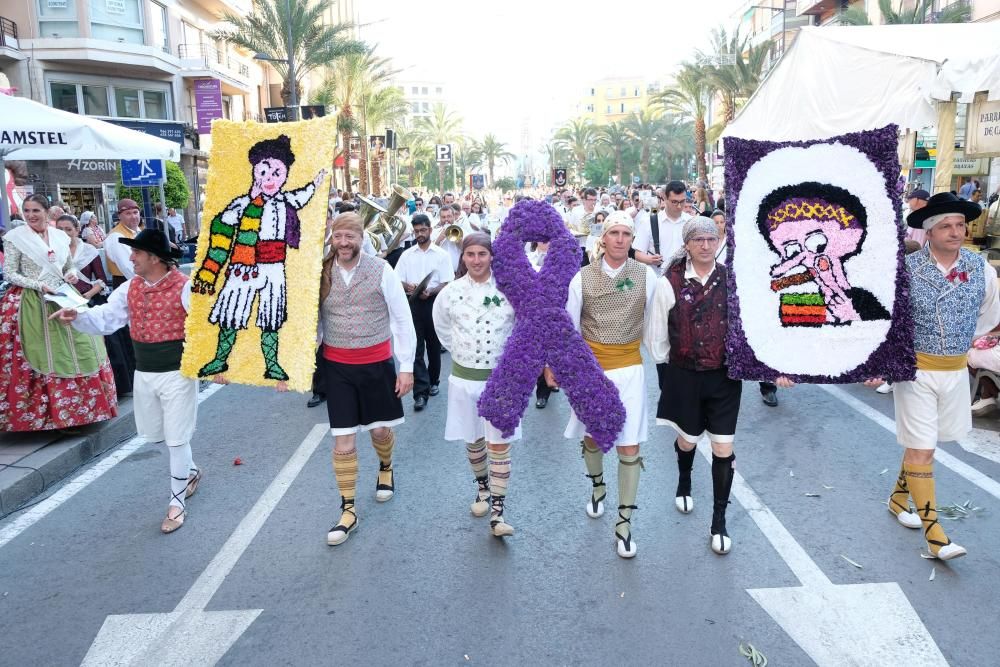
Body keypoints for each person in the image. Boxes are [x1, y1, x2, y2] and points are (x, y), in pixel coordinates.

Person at [52, 229, 202, 533]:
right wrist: (76, 316)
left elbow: (205, 328)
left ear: (155, 258)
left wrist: (214, 364)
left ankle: (176, 503)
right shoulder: (129, 288)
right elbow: (106, 319)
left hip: (178, 373)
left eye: (137, 253)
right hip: (144, 373)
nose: (130, 258)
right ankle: (191, 471)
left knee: (177, 438)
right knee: (157, 435)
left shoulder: (186, 288)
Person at [879, 193, 999, 560]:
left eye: (960, 225)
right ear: (928, 232)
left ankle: (899, 499)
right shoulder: (907, 272)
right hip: (915, 371)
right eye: (945, 226)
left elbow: (989, 316)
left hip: (955, 370)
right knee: (923, 447)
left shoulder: (983, 270)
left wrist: (958, 341)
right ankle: (935, 537)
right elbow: (891, 322)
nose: (955, 232)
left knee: (927, 441)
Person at [562, 211, 658, 558]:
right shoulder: (582, 278)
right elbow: (570, 327)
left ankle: (624, 523)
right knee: (593, 438)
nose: (619, 239)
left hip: (630, 368)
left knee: (629, 445)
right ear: (603, 238)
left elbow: (657, 321)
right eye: (614, 233)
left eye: (626, 234)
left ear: (633, 239)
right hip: (591, 371)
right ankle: (598, 485)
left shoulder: (647, 276)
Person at [192, 136, 326, 383]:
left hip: (274, 267)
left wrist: (318, 181)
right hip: (244, 266)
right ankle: (219, 359)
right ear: (255, 173)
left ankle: (273, 364)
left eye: (276, 172)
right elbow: (223, 222)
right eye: (264, 172)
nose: (270, 178)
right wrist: (249, 201)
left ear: (285, 175)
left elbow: (303, 195)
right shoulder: (243, 203)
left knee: (272, 315)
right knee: (230, 313)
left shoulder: (286, 201)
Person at [317, 212, 415, 546]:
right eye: (338, 236)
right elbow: (313, 323)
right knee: (343, 440)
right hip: (337, 367)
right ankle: (348, 511)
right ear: (332, 237)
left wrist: (406, 367)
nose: (343, 243)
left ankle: (385, 466)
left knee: (380, 430)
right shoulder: (321, 272)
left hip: (376, 364)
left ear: (361, 238)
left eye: (350, 237)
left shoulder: (381, 270)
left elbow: (402, 320)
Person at [646, 217, 742, 554]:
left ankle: (719, 520)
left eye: (711, 239)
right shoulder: (668, 282)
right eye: (698, 239)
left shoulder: (733, 280)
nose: (705, 245)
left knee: (722, 448)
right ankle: (684, 479)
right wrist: (672, 366)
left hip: (724, 377)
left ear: (718, 243)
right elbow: (656, 336)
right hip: (685, 375)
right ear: (687, 244)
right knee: (687, 441)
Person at [0, 194, 118, 432]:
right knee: (38, 352)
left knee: (84, 345)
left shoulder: (59, 236)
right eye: (27, 210)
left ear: (46, 211)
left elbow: (67, 266)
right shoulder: (15, 238)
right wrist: (38, 285)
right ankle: (50, 417)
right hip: (31, 301)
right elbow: (10, 273)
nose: (31, 215)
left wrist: (72, 273)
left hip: (63, 296)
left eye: (36, 210)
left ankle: (81, 411)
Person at [433, 233, 518, 536]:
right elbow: (442, 327)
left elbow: (521, 327)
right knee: (473, 439)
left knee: (499, 443)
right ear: (463, 257)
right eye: (471, 254)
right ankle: (482, 488)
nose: (477, 260)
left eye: (483, 254)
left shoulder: (508, 289)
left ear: (492, 256)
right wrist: (462, 352)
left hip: (501, 380)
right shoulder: (451, 292)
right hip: (464, 378)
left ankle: (498, 512)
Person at [395, 214, 454, 411]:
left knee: (433, 345)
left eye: (423, 230)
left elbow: (447, 282)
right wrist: (409, 286)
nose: (419, 234)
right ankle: (420, 392)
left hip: (434, 303)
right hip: (412, 303)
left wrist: (430, 291)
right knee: (416, 346)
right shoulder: (406, 254)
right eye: (416, 231)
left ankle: (434, 380)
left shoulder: (441, 255)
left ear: (430, 230)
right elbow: (398, 279)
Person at [633, 180, 691, 275]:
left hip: (685, 279)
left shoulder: (691, 222)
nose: (679, 206)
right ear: (665, 198)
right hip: (658, 278)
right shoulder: (649, 221)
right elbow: (637, 252)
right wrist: (649, 259)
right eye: (674, 202)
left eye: (682, 201)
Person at [55, 214, 107, 301]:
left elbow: (102, 279)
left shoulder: (89, 250)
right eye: (59, 230)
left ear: (77, 230)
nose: (63, 233)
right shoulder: (51, 251)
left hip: (85, 297)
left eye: (68, 229)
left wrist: (87, 296)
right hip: (60, 298)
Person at [105, 199, 143, 288]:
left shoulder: (138, 231)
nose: (133, 216)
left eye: (135, 212)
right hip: (127, 284)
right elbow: (129, 268)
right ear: (119, 216)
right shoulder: (117, 236)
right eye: (128, 213)